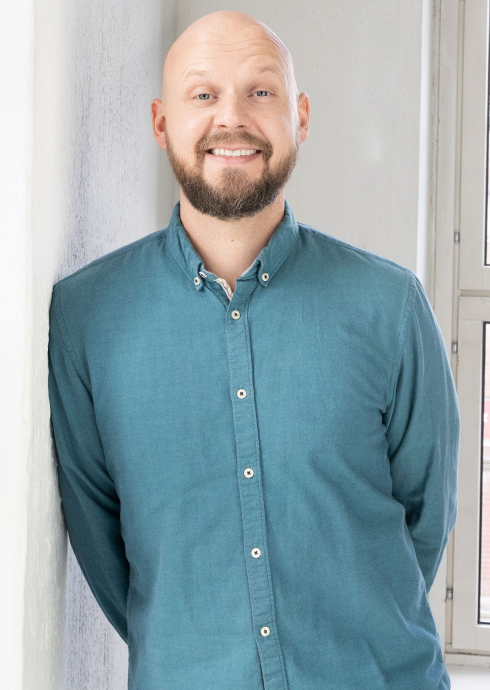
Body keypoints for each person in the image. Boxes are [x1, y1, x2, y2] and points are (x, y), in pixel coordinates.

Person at [48, 10, 459, 690]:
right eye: (203, 94)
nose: (231, 118)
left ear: (301, 117)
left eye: (261, 92)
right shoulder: (87, 317)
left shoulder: (390, 306)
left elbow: (426, 518)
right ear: (161, 123)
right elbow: (100, 542)